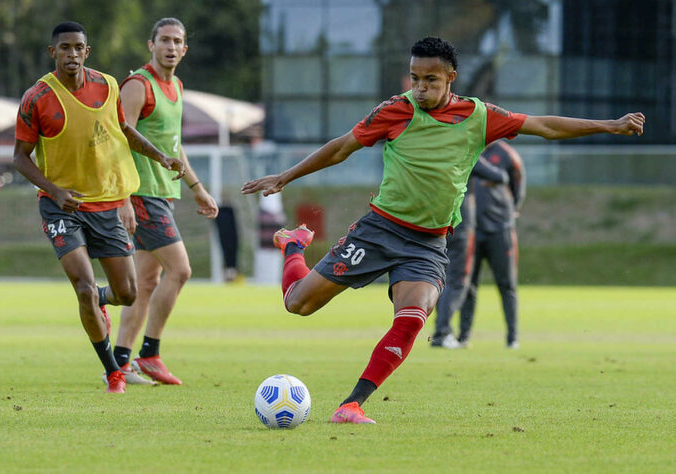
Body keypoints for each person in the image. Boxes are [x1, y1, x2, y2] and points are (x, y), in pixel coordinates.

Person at [241, 36, 645, 424]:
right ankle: (293, 246)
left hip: (429, 243)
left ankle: (352, 405)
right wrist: (285, 176)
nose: (420, 88)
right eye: (414, 78)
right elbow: (343, 146)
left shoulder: (480, 116)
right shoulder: (396, 111)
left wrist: (610, 125)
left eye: (430, 80)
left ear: (451, 77)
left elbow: (545, 126)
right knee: (299, 304)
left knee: (414, 316)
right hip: (378, 231)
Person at [13, 21, 185, 394]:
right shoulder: (37, 98)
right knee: (83, 288)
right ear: (52, 52)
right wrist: (54, 191)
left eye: (78, 48)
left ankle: (103, 300)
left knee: (128, 294)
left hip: (105, 205)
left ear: (86, 52)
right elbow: (20, 158)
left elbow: (125, 130)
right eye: (64, 48)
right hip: (61, 208)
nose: (71, 54)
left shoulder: (107, 86)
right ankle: (113, 372)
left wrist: (160, 156)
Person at [114, 18, 218, 386]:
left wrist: (197, 187)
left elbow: (174, 146)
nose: (171, 47)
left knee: (145, 281)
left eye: (177, 41)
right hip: (142, 195)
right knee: (181, 270)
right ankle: (150, 353)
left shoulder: (175, 86)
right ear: (151, 45)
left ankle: (121, 361)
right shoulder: (137, 86)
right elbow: (118, 142)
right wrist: (123, 197)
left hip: (163, 194)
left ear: (185, 49)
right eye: (164, 40)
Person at [430, 155, 509, 349]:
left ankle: (441, 331)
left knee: (442, 279)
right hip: (462, 224)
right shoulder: (467, 153)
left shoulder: (435, 151)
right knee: (458, 280)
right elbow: (499, 176)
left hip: (437, 222)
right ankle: (443, 333)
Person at [457, 140, 525, 348]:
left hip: (499, 229)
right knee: (467, 285)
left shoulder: (506, 154)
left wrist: (510, 211)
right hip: (471, 230)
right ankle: (463, 337)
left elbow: (517, 183)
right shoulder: (464, 149)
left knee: (507, 285)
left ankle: (512, 338)